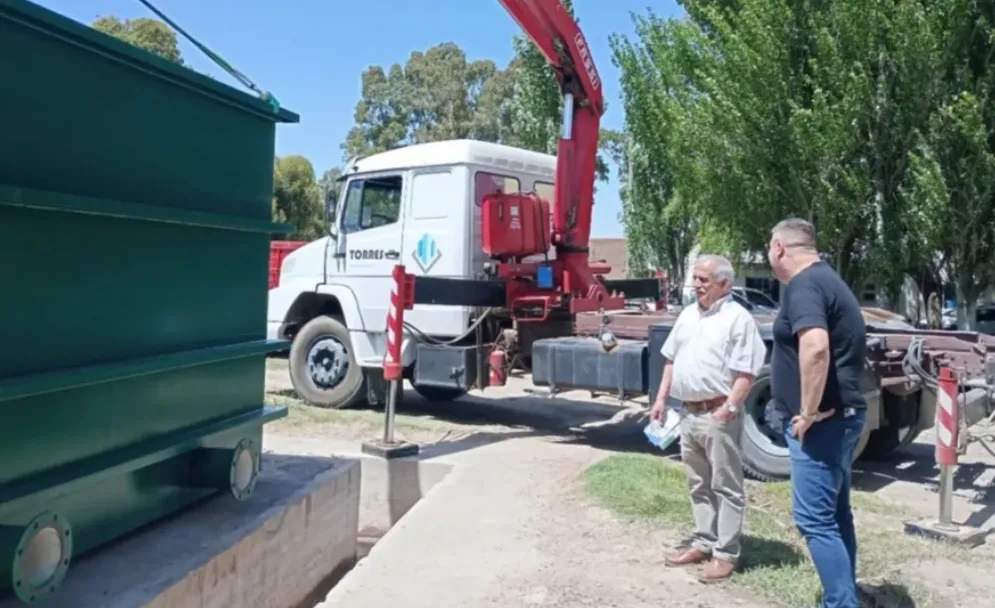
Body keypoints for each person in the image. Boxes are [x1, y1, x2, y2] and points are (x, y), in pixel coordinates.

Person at [766, 218, 868, 608]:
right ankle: (846, 594)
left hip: (823, 424)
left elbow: (816, 348)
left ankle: (840, 603)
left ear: (779, 247)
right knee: (836, 515)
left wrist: (807, 412)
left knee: (814, 521)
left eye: (768, 247)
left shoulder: (804, 285)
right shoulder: (828, 278)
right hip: (841, 418)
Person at [650, 254, 766, 583]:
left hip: (718, 414)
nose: (696, 285)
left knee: (727, 486)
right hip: (688, 413)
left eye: (704, 280)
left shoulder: (738, 319)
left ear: (725, 283)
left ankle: (726, 554)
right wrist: (661, 399)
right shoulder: (688, 314)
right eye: (696, 278)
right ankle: (704, 541)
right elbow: (671, 360)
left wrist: (729, 408)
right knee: (698, 483)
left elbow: (747, 370)